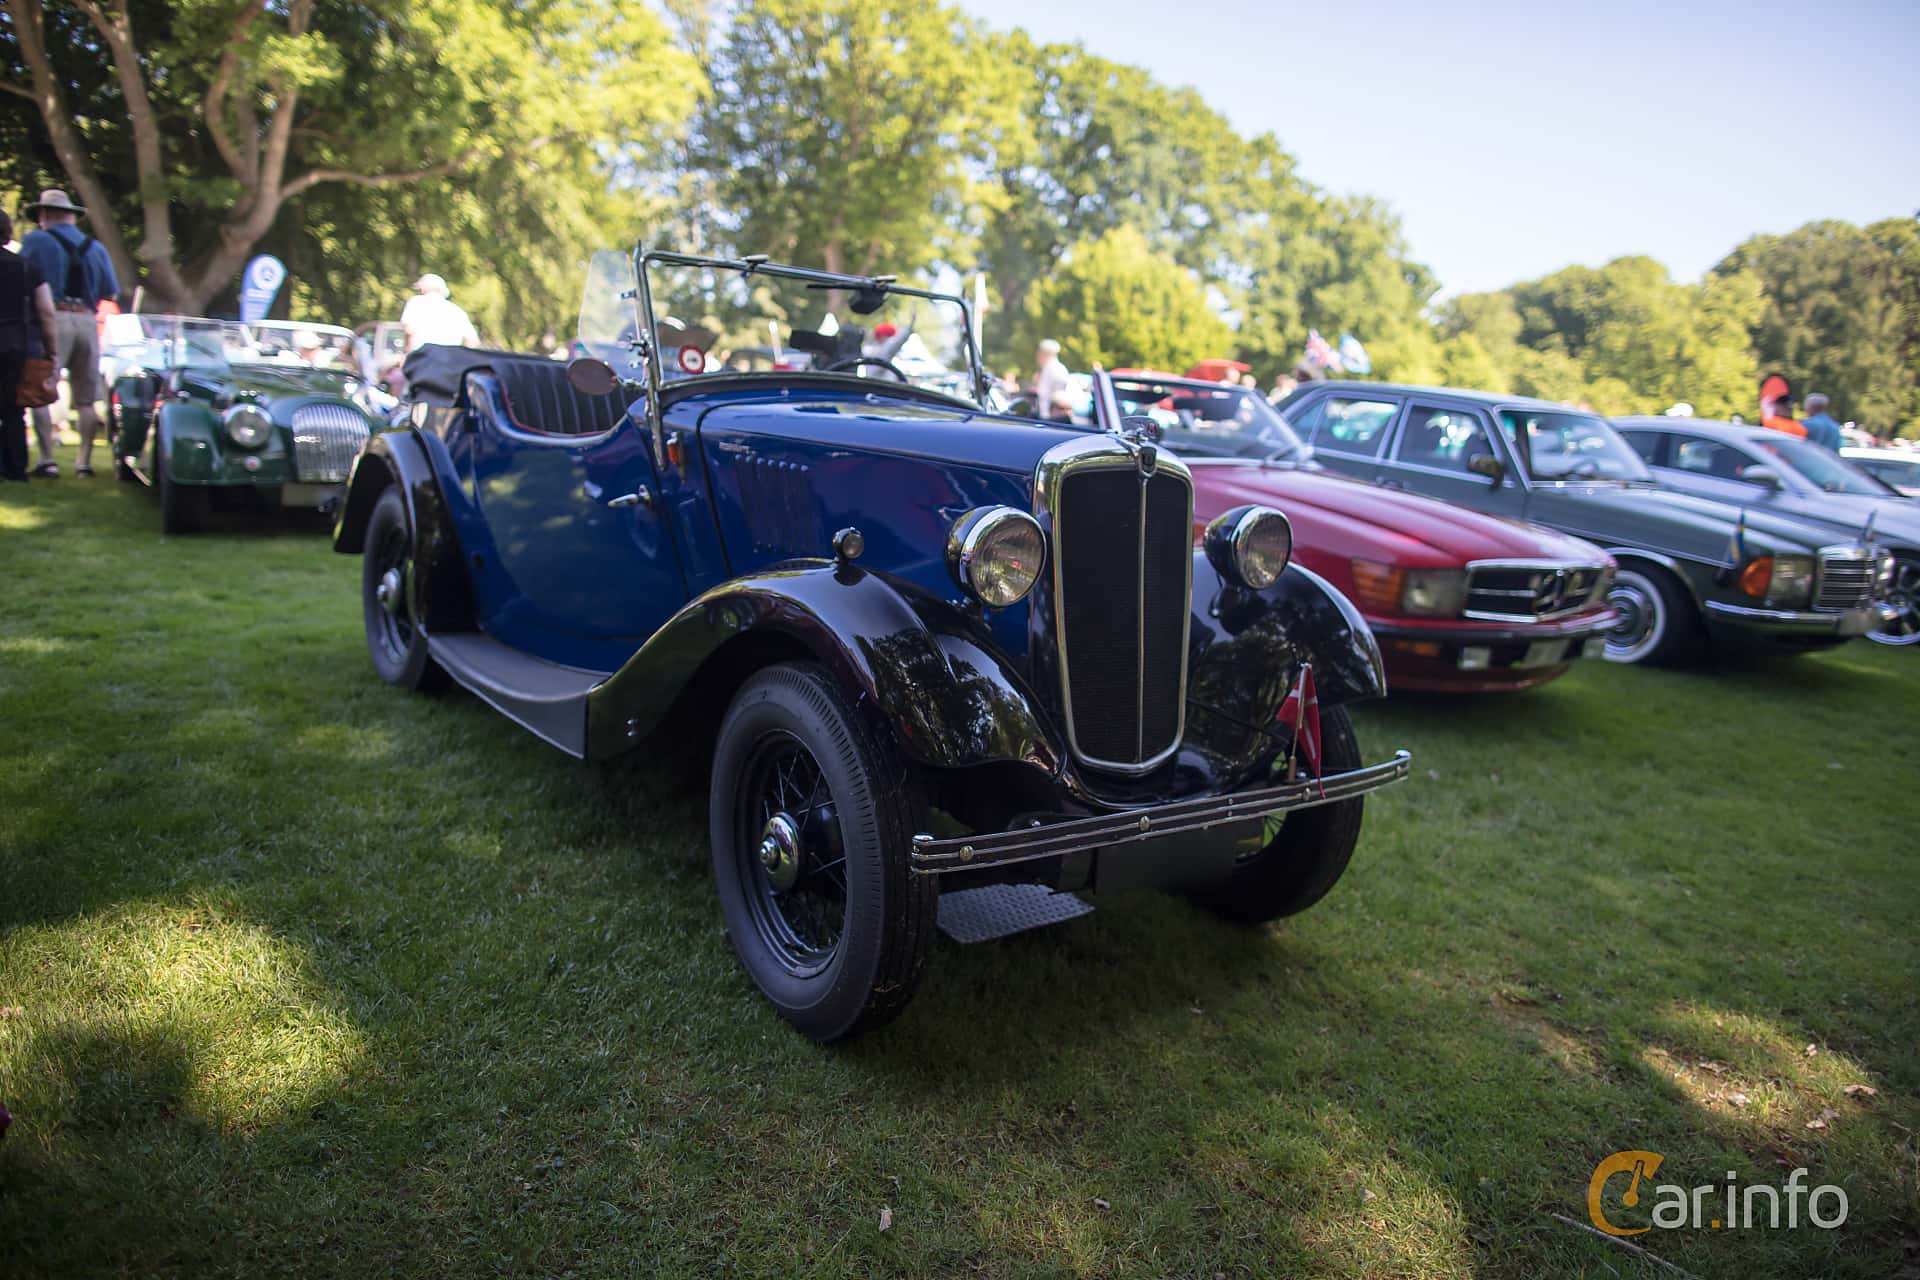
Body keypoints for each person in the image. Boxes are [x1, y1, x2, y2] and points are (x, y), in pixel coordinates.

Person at [18, 189, 120, 478]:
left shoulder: (36, 240)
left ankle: (48, 460)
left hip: (52, 318)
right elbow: (109, 291)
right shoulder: (96, 248)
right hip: (87, 321)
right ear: (72, 215)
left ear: (44, 214)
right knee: (86, 399)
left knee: (40, 388)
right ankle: (83, 464)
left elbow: (25, 278)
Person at [0, 210, 59, 481]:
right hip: (16, 343)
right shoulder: (27, 267)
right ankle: (15, 467)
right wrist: (51, 350)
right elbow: (46, 311)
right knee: (14, 407)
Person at [400, 273, 478, 352]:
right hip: (449, 359)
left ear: (423, 289)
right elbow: (472, 341)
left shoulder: (416, 302)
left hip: (423, 358)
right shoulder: (457, 311)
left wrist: (406, 354)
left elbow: (409, 330)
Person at [1033, 339, 1073, 421]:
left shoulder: (1049, 368)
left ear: (1044, 353)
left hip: (1051, 415)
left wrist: (1044, 417)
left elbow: (1043, 394)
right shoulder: (1061, 367)